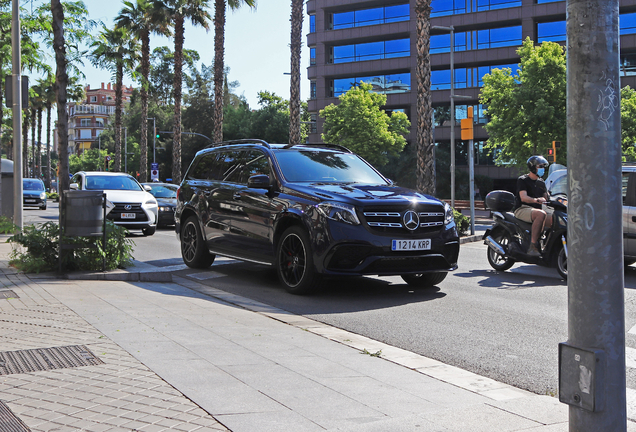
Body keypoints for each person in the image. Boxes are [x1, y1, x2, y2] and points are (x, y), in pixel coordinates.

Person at [513, 155, 552, 257]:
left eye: (543, 166)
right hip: (522, 208)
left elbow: (546, 197)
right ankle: (533, 246)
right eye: (540, 166)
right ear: (533, 167)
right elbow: (523, 197)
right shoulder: (523, 180)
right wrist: (536, 200)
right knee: (541, 214)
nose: (542, 169)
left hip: (536, 209)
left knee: (554, 217)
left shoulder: (541, 182)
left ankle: (547, 245)